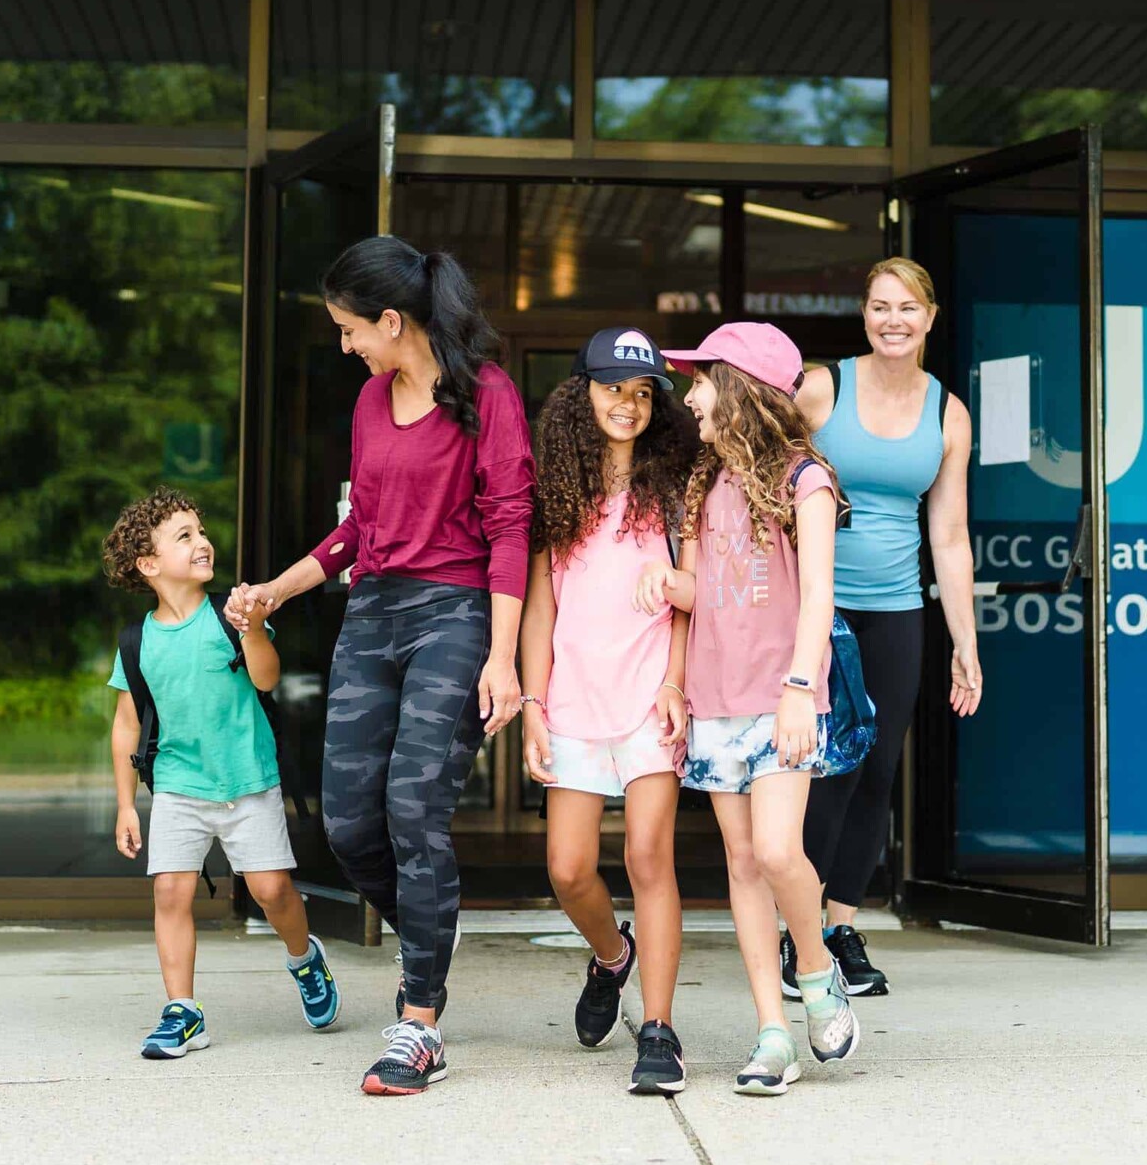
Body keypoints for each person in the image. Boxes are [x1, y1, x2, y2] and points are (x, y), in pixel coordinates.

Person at [226, 236, 532, 1096]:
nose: (344, 343)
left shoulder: (487, 396)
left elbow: (511, 529)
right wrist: (279, 590)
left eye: (348, 328)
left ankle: (420, 1021)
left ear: (393, 320)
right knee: (350, 824)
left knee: (412, 807)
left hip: (457, 612)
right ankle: (431, 928)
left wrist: (503, 659)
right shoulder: (368, 402)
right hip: (374, 612)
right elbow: (358, 528)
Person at [646, 322, 859, 1096]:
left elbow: (819, 597)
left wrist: (802, 687)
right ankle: (773, 1031)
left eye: (699, 378)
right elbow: (706, 592)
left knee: (776, 851)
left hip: (783, 698)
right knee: (740, 864)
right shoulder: (705, 482)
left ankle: (815, 965)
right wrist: (668, 586)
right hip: (716, 699)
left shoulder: (805, 479)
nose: (689, 395)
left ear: (735, 385)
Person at [788, 257, 981, 998]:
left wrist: (964, 641)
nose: (892, 319)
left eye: (907, 307)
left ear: (930, 317)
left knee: (876, 773)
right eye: (878, 306)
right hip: (818, 607)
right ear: (864, 315)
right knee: (822, 772)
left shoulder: (948, 414)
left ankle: (837, 929)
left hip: (898, 609)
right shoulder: (821, 387)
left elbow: (951, 535)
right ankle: (795, 932)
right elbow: (763, 480)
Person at [519, 327, 699, 1094]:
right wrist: (531, 700)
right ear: (580, 392)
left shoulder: (675, 487)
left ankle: (658, 1030)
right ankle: (612, 957)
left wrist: (675, 682)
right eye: (612, 388)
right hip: (571, 700)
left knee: (648, 858)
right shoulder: (554, 489)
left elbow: (692, 601)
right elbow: (538, 609)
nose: (627, 403)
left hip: (649, 696)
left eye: (641, 392)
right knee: (566, 868)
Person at [102, 487, 341, 1060]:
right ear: (149, 565)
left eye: (201, 531)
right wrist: (124, 803)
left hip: (246, 782)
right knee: (170, 892)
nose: (202, 541)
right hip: (180, 788)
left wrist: (253, 628)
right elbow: (125, 727)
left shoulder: (226, 616)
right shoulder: (138, 643)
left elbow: (265, 679)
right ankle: (182, 1011)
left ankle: (304, 958)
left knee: (271, 890)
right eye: (184, 536)